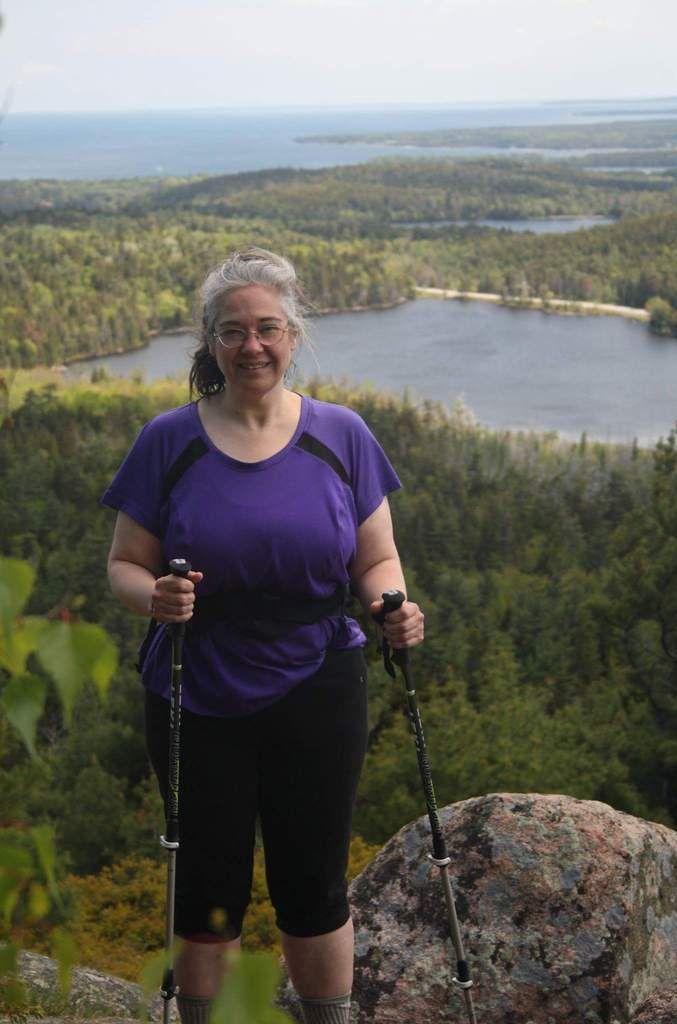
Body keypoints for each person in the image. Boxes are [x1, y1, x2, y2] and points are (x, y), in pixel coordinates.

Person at [102, 247, 424, 1024]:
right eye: (233, 331)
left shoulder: (341, 434)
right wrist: (157, 598)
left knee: (312, 884)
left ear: (293, 334)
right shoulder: (168, 440)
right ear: (209, 342)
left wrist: (391, 606)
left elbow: (374, 558)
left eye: (268, 328)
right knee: (206, 890)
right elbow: (124, 565)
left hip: (318, 682)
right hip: (194, 681)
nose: (252, 346)